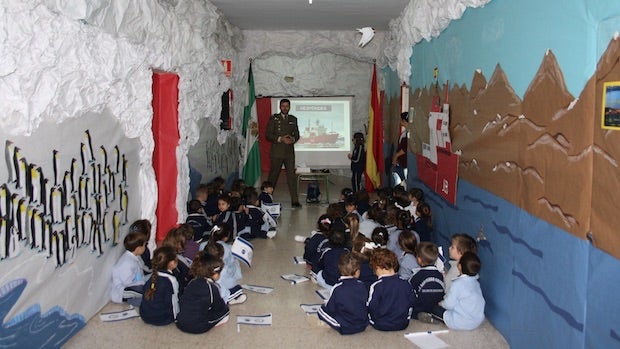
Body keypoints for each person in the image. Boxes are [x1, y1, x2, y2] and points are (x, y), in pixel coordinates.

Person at [417, 252, 485, 330]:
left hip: (460, 322)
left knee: (434, 307)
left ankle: (435, 318)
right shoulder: (475, 282)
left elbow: (449, 305)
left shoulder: (457, 284)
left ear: (459, 266)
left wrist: (441, 303)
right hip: (477, 321)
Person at [176, 252, 230, 334]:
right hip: (197, 327)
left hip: (180, 322)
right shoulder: (212, 288)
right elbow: (219, 308)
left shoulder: (192, 282)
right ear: (214, 273)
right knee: (225, 311)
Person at [317, 252, 369, 335]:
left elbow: (331, 309)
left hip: (345, 326)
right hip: (363, 324)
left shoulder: (337, 288)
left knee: (321, 311)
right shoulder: (362, 285)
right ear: (357, 272)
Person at [366, 248, 415, 331]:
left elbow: (372, 307)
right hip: (402, 323)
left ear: (378, 268)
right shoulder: (405, 283)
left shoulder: (376, 286)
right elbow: (412, 301)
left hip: (381, 324)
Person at [265, 98, 301, 208]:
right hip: (277, 152)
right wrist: (281, 139)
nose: (285, 108)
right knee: (273, 177)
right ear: (280, 107)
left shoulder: (293, 119)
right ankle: (267, 198)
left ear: (289, 107)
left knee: (291, 177)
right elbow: (268, 135)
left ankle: (295, 200)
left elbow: (297, 134)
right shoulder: (274, 118)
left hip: (289, 153)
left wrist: (292, 139)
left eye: (287, 106)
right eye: (283, 106)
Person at [140, 246, 180, 326]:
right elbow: (174, 301)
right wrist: (177, 317)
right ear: (172, 263)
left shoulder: (151, 276)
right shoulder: (171, 280)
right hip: (161, 319)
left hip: (144, 315)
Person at [207, 224, 246, 305]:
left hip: (207, 273)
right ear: (226, 237)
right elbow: (231, 266)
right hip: (220, 277)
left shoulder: (203, 245)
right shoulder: (227, 249)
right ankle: (230, 297)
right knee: (233, 265)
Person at [110, 231, 147, 306]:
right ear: (138, 248)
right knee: (147, 295)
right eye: (144, 246)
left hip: (135, 285)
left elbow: (139, 275)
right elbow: (128, 283)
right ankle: (134, 300)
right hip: (124, 291)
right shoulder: (127, 262)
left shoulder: (135, 257)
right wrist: (142, 283)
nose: (145, 248)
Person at [409, 241, 445, 318]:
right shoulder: (440, 275)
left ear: (419, 259)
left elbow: (410, 291)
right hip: (436, 307)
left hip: (420, 308)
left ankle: (420, 315)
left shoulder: (417, 275)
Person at [391, 112, 409, 187]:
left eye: (400, 120)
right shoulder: (405, 133)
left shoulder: (408, 134)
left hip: (405, 163)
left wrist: (396, 156)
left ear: (404, 121)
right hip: (401, 162)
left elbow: (404, 149)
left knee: (401, 183)